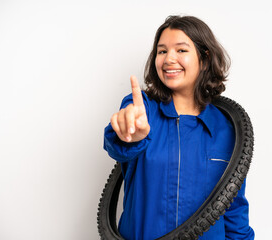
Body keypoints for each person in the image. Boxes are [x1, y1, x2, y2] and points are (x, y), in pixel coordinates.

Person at [104, 15, 254, 240]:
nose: (168, 59)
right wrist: (129, 135)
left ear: (204, 59)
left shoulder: (228, 128)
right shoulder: (142, 109)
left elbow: (234, 207)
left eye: (181, 50)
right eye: (162, 51)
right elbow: (117, 144)